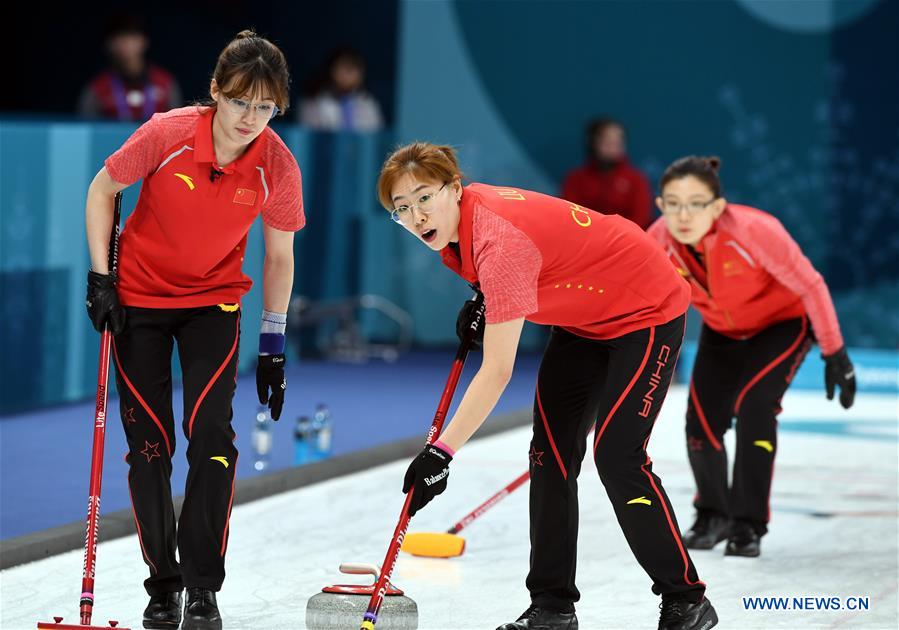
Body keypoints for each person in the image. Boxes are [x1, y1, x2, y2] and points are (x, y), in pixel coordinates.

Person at [379, 142, 718, 630]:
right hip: (582, 322)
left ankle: (686, 599)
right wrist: (486, 298)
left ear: (455, 188)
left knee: (619, 457)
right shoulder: (456, 228)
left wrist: (442, 453)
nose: (416, 216)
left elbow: (497, 369)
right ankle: (553, 607)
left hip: (644, 310)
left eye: (424, 198)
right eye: (402, 209)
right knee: (549, 455)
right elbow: (541, 258)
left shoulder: (499, 241)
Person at [83, 30, 303, 630]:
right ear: (215, 92)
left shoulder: (277, 165)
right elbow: (103, 190)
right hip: (140, 304)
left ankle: (203, 586)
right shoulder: (167, 134)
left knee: (212, 437)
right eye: (240, 101)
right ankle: (164, 585)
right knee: (150, 447)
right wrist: (100, 279)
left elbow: (278, 257)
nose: (251, 118)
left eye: (265, 107)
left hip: (214, 305)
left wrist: (274, 344)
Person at [647, 156, 856, 558]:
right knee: (700, 423)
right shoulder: (656, 241)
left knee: (755, 406)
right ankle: (713, 514)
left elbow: (811, 286)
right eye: (673, 203)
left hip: (781, 325)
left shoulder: (755, 231)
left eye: (695, 203)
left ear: (718, 207)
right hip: (722, 332)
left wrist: (835, 353)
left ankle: (748, 524)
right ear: (660, 206)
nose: (683, 214)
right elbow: (636, 304)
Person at [78, 13, 182, 121]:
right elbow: (86, 130)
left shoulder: (165, 83)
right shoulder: (96, 89)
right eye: (120, 38)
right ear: (108, 44)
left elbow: (178, 125)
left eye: (132, 37)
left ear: (144, 41)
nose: (126, 44)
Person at [561, 117, 653, 228]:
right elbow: (568, 215)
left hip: (625, 239)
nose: (613, 145)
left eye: (619, 140)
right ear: (593, 142)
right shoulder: (575, 179)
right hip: (584, 237)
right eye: (607, 140)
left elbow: (640, 218)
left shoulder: (636, 179)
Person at [299, 47, 383, 131]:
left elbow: (376, 134)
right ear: (331, 70)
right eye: (342, 68)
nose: (346, 75)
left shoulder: (369, 104)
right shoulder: (313, 102)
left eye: (351, 69)